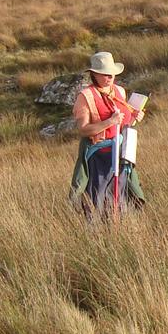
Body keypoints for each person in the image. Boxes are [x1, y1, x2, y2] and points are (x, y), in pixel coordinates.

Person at [69, 50, 145, 216]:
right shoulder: (85, 96)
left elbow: (125, 123)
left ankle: (120, 229)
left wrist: (135, 117)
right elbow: (83, 130)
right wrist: (109, 122)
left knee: (121, 196)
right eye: (104, 74)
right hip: (99, 156)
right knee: (99, 197)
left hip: (120, 153)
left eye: (111, 73)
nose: (109, 77)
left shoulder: (119, 91)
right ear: (94, 74)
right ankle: (98, 231)